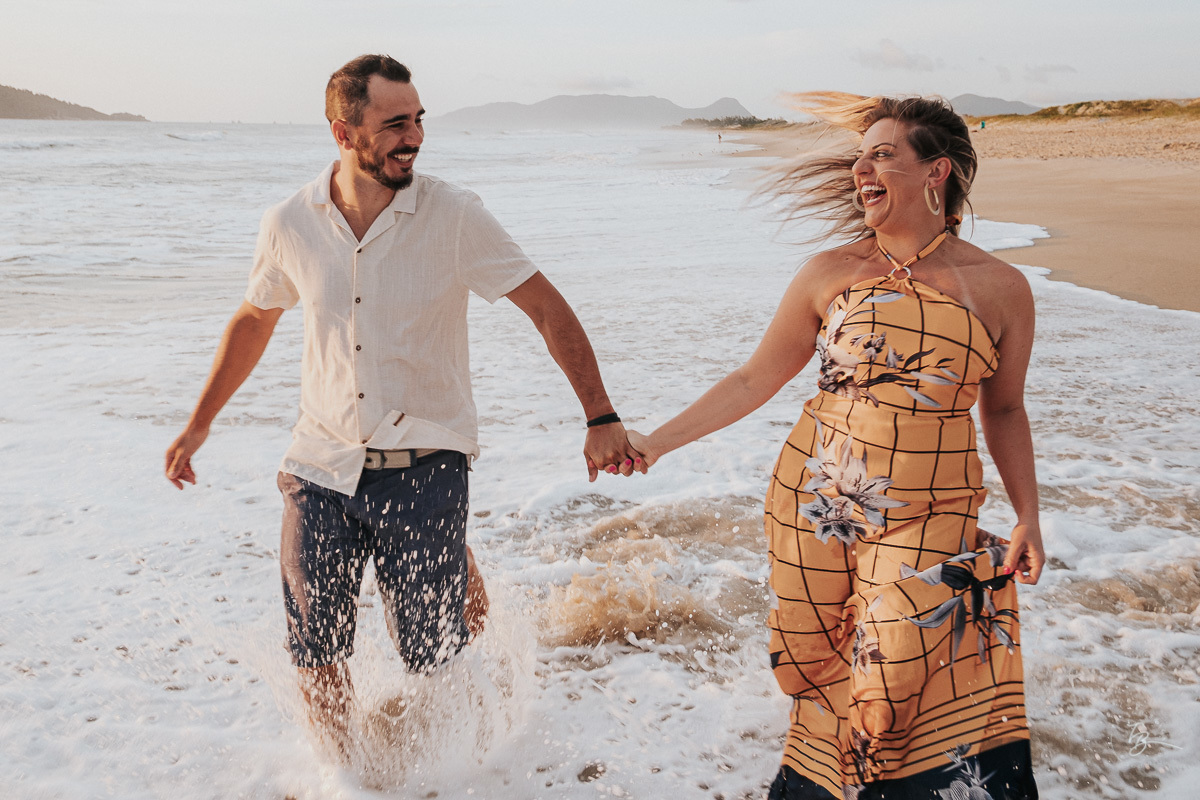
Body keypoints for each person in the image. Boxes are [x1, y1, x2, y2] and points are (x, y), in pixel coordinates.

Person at [164, 54, 642, 755]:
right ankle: (343, 775)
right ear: (344, 132)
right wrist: (198, 424)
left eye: (418, 120)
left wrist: (600, 417)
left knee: (432, 654)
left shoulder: (454, 215)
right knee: (314, 644)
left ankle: (467, 755)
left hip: (424, 463)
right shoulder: (291, 221)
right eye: (394, 124)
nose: (413, 136)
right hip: (318, 463)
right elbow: (255, 317)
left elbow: (544, 307)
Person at [628, 93, 1043, 799]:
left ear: (935, 171)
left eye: (884, 153)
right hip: (815, 501)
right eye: (862, 155)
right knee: (813, 668)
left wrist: (1028, 514)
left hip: (930, 504)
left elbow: (1004, 409)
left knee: (890, 677)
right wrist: (656, 442)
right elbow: (755, 376)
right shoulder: (832, 271)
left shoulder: (1000, 288)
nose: (862, 168)